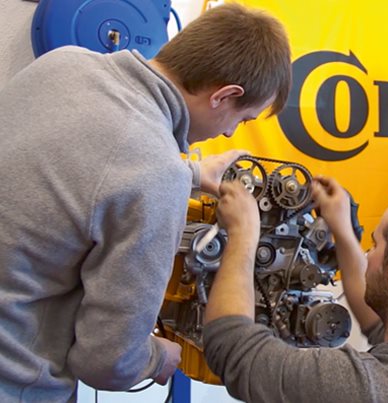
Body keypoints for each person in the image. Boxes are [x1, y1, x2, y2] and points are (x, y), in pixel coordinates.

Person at [0, 4, 291, 401]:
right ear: (225, 95)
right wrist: (157, 357)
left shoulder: (63, 63)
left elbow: (87, 164)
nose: (228, 134)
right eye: (241, 120)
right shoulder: (155, 174)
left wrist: (189, 172)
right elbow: (106, 361)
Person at [203, 177, 388, 402]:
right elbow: (381, 323)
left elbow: (233, 350)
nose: (367, 255)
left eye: (375, 245)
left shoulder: (364, 387)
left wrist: (243, 233)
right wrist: (341, 228)